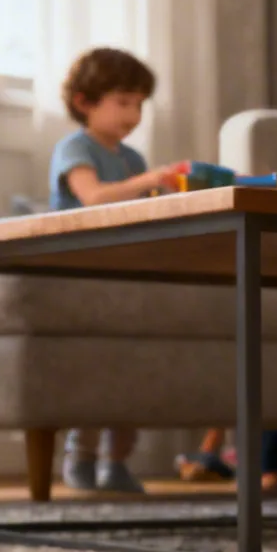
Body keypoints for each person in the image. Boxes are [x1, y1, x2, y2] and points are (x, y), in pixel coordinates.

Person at [48, 46, 180, 493]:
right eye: (123, 102)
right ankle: (80, 455)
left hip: (125, 277)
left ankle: (117, 460)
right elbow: (93, 197)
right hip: (83, 277)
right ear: (85, 102)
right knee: (94, 369)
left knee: (129, 373)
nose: (134, 114)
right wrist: (148, 182)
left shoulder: (132, 160)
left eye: (140, 104)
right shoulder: (75, 148)